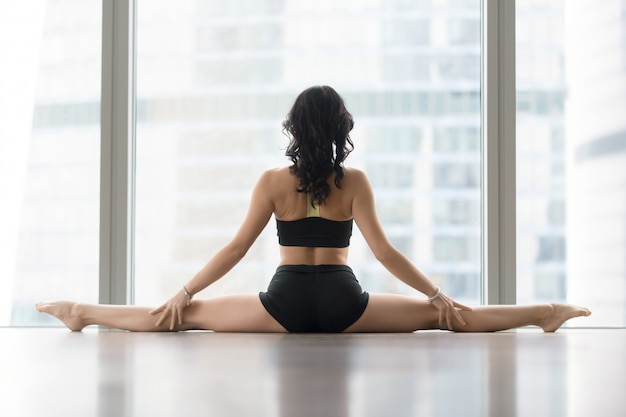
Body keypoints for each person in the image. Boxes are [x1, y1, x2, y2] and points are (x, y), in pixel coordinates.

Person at [36, 85, 590, 333]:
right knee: (452, 319)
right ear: (342, 128)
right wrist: (437, 297)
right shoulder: (355, 183)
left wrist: (185, 294)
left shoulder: (274, 182)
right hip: (346, 304)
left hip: (284, 304)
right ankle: (545, 312)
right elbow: (385, 252)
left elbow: (235, 248)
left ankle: (80, 311)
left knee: (177, 318)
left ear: (295, 130)